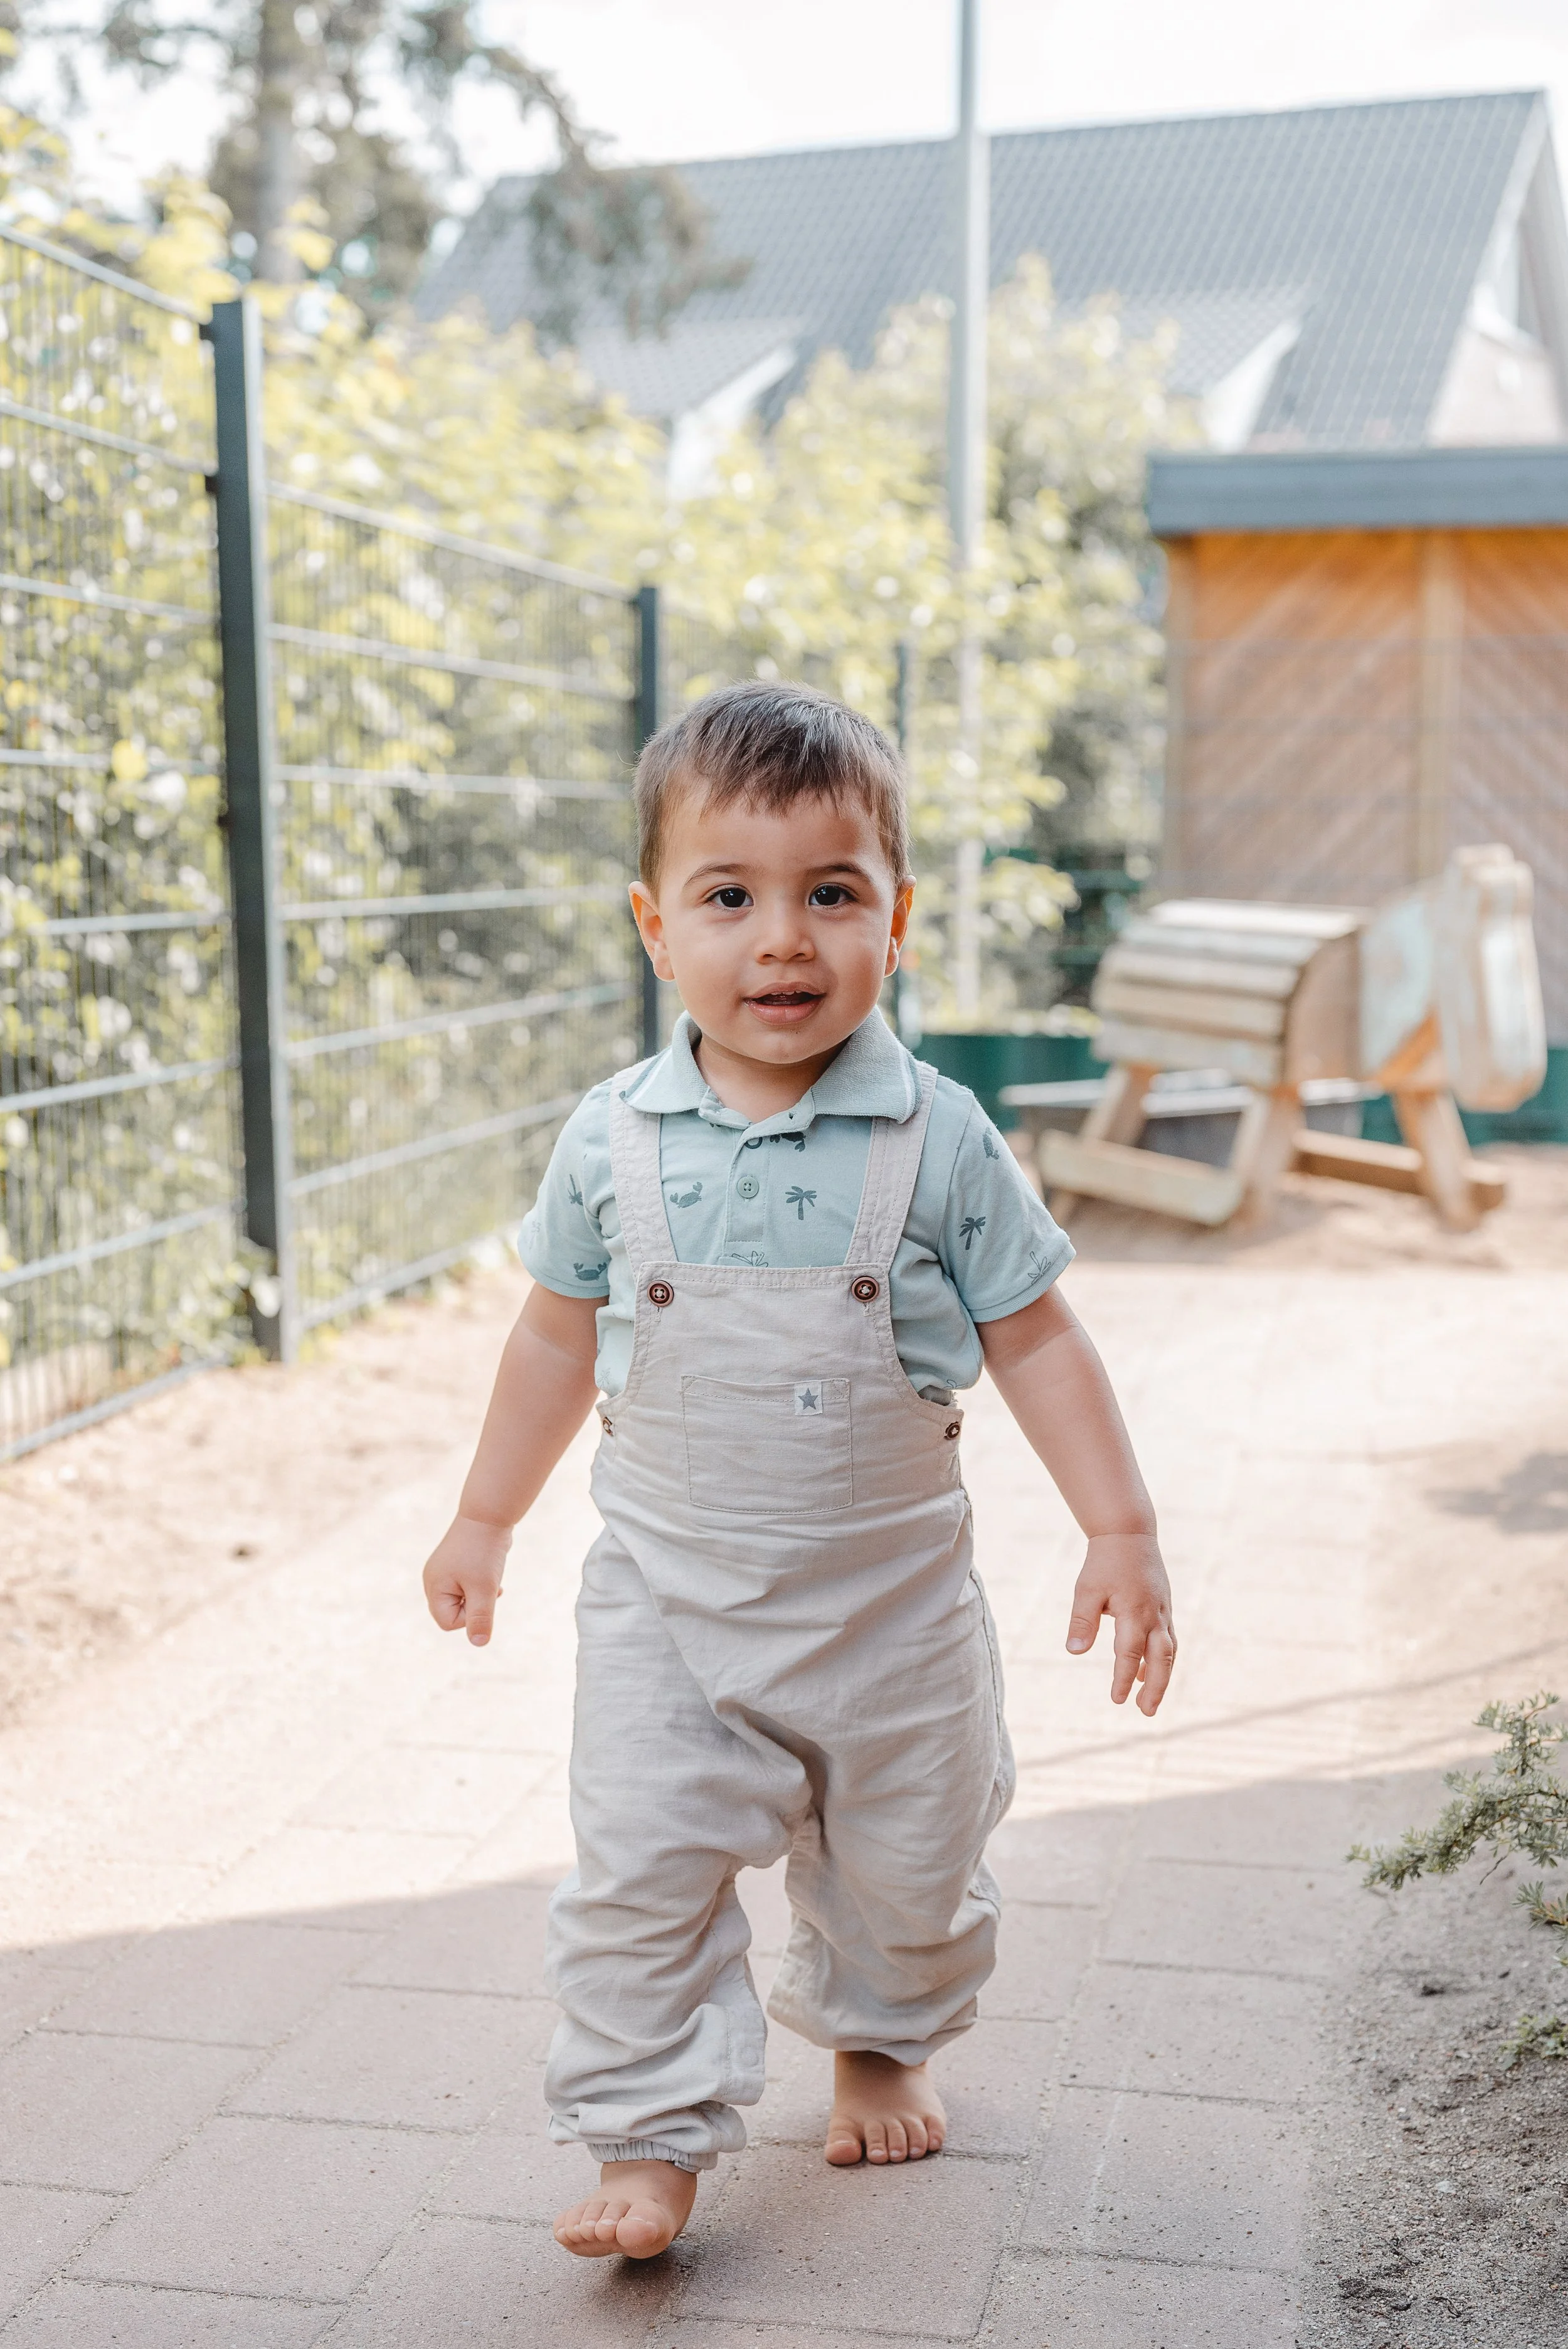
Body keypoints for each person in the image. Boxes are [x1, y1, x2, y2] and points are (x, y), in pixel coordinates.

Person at [422, 679, 1176, 2262]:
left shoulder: (940, 1139)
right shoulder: (608, 1139)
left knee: (909, 1860)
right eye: (728, 897)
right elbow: (552, 1339)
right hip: (669, 1612)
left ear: (894, 920)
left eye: (830, 894)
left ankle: (882, 2037)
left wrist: (1118, 1527)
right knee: (637, 1872)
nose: (781, 940)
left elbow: (1038, 1339)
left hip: (888, 1614)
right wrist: (486, 1514)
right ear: (654, 928)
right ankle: (646, 2135)